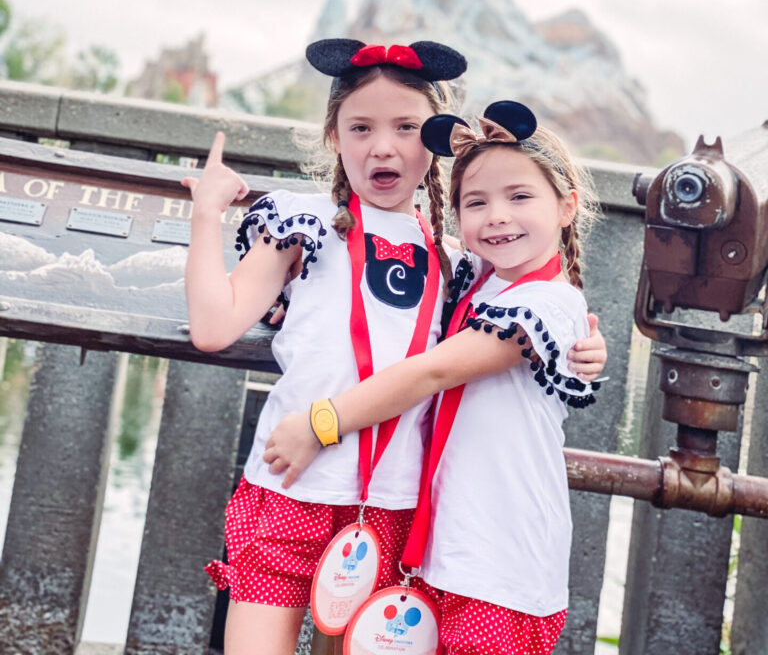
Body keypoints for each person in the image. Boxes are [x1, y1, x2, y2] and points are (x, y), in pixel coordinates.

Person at [184, 40, 606, 655]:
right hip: (290, 479)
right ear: (334, 138)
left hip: (394, 505)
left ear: (430, 142)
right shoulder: (302, 222)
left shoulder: (458, 259)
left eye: (405, 127)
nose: (383, 146)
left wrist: (585, 350)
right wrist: (206, 215)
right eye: (361, 127)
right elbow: (214, 326)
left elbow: (516, 324)